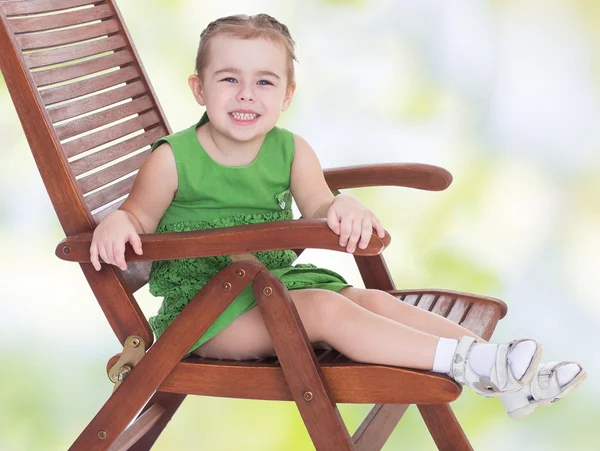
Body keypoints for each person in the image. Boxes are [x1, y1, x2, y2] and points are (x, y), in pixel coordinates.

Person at [89, 13, 586, 419]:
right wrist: (119, 222)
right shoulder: (172, 158)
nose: (246, 94)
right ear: (199, 89)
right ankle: (466, 361)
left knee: (369, 299)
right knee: (328, 311)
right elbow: (138, 218)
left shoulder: (290, 150)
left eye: (264, 81)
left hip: (276, 285)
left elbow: (321, 206)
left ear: (286, 95)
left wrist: (342, 206)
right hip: (208, 314)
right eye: (229, 79)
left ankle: (500, 372)